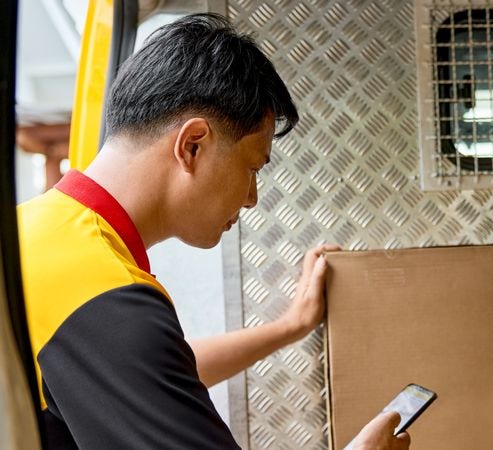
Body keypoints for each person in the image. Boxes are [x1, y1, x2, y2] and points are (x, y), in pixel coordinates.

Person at [17, 13, 410, 450]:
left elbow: (157, 375)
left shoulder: (38, 235)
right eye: (251, 167)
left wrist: (291, 326)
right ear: (193, 145)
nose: (251, 197)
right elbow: (136, 355)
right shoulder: (107, 301)